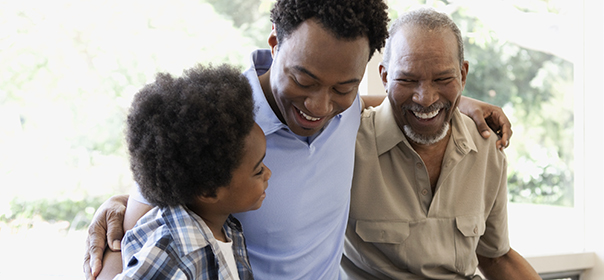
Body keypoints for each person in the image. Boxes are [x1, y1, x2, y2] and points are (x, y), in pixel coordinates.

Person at [83, 1, 513, 279]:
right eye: (302, 79)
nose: (319, 107)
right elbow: (135, 247)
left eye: (342, 87)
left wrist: (459, 102)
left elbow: (395, 101)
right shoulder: (213, 124)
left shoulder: (348, 111)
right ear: (274, 43)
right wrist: (120, 209)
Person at [341, 8, 539, 279]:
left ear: (463, 75)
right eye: (408, 79)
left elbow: (494, 257)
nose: (425, 98)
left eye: (443, 79)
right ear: (385, 77)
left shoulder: (486, 147)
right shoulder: (347, 141)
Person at [115, 64, 270, 279]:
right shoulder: (171, 255)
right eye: (258, 170)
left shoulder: (226, 227)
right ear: (208, 191)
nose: (268, 173)